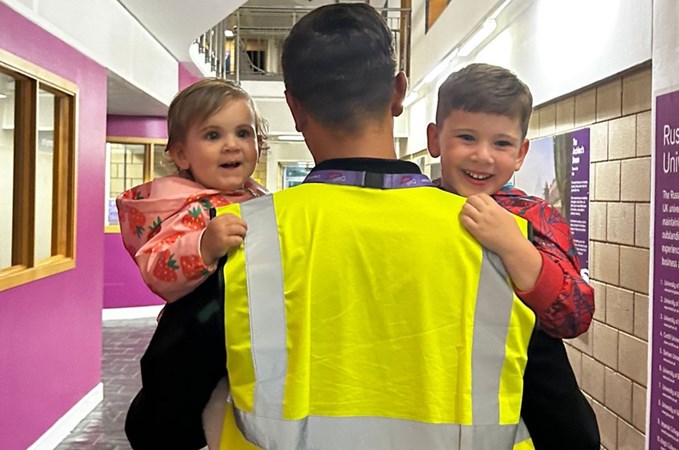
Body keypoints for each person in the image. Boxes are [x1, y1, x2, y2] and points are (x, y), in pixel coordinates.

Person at [128, 4, 537, 450]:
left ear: (294, 107)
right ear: (399, 92)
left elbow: (157, 427)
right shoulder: (504, 241)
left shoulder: (239, 236)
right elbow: (567, 425)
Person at [427, 63, 599, 449]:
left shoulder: (534, 217)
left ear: (521, 153)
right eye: (467, 138)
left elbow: (575, 314)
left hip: (526, 407)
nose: (483, 156)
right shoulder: (416, 207)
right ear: (435, 140)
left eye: (501, 144)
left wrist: (513, 244)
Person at [120, 78, 267, 450]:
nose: (231, 144)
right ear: (182, 155)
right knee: (213, 417)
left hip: (249, 337)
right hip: (204, 342)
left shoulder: (258, 197)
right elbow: (156, 266)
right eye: (213, 135)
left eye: (244, 133)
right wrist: (203, 245)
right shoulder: (191, 207)